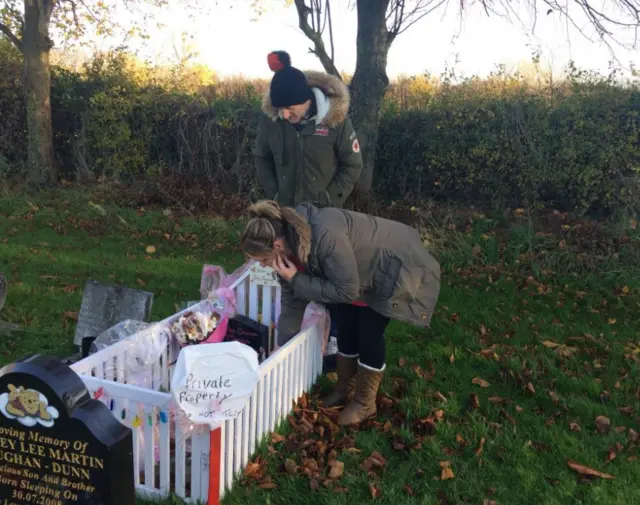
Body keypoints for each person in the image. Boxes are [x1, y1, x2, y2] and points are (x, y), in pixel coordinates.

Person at [240, 200, 441, 426]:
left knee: (368, 333)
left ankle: (365, 403)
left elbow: (347, 290)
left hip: (388, 267)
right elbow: (292, 303)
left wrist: (296, 279)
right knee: (345, 326)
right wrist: (281, 350)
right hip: (350, 276)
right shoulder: (284, 255)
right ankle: (345, 387)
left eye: (263, 260)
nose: (264, 266)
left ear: (277, 245)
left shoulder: (324, 237)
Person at [253, 50, 363, 208]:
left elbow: (352, 164)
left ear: (306, 100)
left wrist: (330, 199)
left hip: (324, 216)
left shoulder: (335, 121)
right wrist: (274, 194)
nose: (283, 115)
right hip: (284, 213)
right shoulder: (271, 122)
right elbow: (261, 157)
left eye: (289, 107)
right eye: (279, 108)